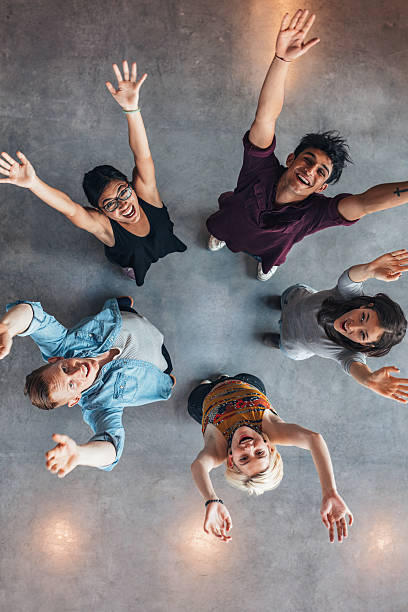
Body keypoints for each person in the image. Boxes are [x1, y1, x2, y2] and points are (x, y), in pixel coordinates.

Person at [206, 9, 408, 281]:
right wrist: (281, 60)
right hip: (231, 223)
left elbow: (365, 204)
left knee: (270, 261)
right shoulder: (260, 168)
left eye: (321, 172)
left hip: (271, 249)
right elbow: (265, 118)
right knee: (220, 229)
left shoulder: (317, 213)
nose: (310, 170)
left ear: (322, 188)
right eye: (308, 159)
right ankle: (220, 237)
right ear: (291, 158)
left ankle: (267, 266)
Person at [0, 60, 186, 286]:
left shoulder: (145, 192)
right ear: (101, 212)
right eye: (110, 205)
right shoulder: (105, 227)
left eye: (123, 193)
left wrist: (131, 109)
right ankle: (131, 270)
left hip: (163, 240)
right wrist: (33, 183)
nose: (124, 205)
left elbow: (142, 156)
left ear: (130, 185)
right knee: (132, 265)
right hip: (131, 258)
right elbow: (72, 209)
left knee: (165, 241)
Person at [0, 296, 175, 475]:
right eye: (72, 385)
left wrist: (7, 327)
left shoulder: (62, 345)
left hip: (125, 318)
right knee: (167, 375)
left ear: (57, 359)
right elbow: (112, 447)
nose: (78, 371)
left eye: (65, 368)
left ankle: (125, 307)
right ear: (76, 399)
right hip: (158, 363)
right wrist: (81, 454)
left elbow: (32, 315)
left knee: (122, 307)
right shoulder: (99, 405)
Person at [189, 374, 353, 543]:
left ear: (231, 460)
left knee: (197, 397)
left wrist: (211, 499)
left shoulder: (218, 448)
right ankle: (224, 377)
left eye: (244, 458)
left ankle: (209, 383)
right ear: (268, 446)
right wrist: (330, 491)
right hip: (245, 383)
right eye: (259, 453)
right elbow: (314, 439)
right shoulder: (273, 429)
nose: (249, 448)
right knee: (241, 379)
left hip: (205, 398)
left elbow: (199, 465)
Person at [263, 249, 408, 403]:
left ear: (368, 345)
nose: (352, 326)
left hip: (293, 342)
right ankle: (282, 303)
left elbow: (356, 367)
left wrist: (368, 380)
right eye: (363, 317)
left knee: (285, 345)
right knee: (286, 299)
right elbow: (350, 279)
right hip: (295, 299)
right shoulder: (347, 296)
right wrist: (369, 270)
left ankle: (278, 341)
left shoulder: (348, 352)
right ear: (366, 305)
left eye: (363, 335)